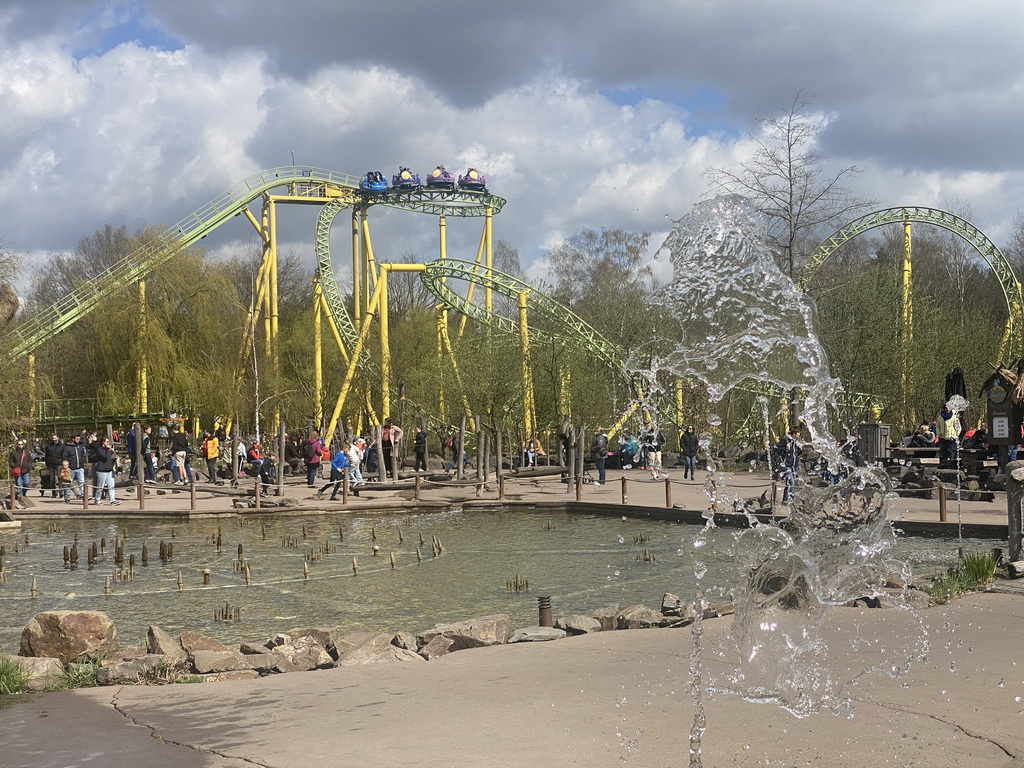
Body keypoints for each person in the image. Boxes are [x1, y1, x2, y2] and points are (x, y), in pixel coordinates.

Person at [91, 436, 120, 505]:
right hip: (102, 470)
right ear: (103, 442)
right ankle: (97, 499)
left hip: (109, 470)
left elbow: (109, 458)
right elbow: (105, 457)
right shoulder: (99, 449)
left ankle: (112, 500)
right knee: (100, 486)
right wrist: (108, 450)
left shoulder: (107, 450)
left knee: (111, 486)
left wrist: (114, 458)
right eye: (107, 442)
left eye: (108, 442)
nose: (108, 443)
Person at [777, 427, 802, 503]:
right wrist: (785, 448)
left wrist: (800, 450)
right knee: (791, 482)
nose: (799, 435)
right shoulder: (785, 441)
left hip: (794, 465)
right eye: (798, 434)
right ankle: (792, 499)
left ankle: (785, 500)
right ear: (794, 434)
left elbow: (796, 454)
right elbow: (777, 449)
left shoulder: (795, 442)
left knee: (789, 483)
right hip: (786, 465)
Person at [62, 433, 88, 504]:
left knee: (81, 482)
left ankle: (83, 495)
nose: (78, 440)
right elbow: (65, 457)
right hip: (71, 468)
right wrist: (66, 466)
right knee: (68, 482)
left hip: (80, 467)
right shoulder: (68, 447)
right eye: (77, 439)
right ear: (73, 439)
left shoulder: (81, 446)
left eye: (79, 439)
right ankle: (67, 497)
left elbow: (84, 453)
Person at [43, 433, 63, 498]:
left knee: (60, 478)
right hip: (51, 464)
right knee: (52, 479)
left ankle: (61, 492)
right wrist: (47, 463)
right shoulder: (48, 446)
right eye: (53, 438)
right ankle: (53, 493)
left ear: (58, 438)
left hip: (59, 463)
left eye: (55, 438)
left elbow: (63, 454)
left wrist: (63, 463)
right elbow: (46, 455)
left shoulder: (61, 446)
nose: (54, 439)